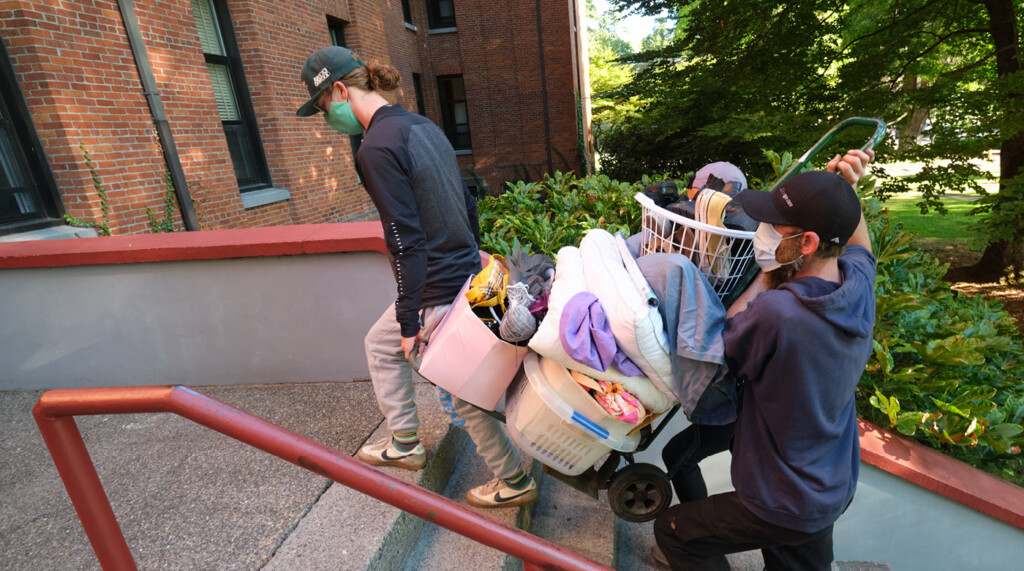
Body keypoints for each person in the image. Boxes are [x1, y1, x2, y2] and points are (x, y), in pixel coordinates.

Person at [296, 46, 537, 508]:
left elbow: (403, 238)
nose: (329, 119)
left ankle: (511, 479)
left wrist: (410, 319)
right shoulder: (422, 126)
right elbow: (467, 201)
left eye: (325, 107)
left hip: (437, 285)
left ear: (341, 90)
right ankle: (405, 442)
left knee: (459, 390)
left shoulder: (375, 147)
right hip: (464, 272)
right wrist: (474, 249)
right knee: (385, 347)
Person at [653, 149, 876, 570]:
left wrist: (768, 270)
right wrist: (844, 190)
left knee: (673, 532)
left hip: (780, 499)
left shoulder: (779, 314)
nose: (763, 232)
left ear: (807, 243)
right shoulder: (858, 286)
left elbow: (719, 345)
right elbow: (859, 244)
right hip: (829, 485)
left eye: (774, 227)